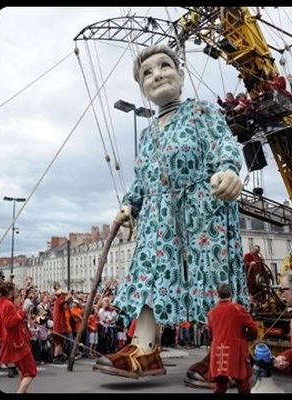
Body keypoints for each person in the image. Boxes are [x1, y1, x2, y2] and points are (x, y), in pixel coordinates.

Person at [95, 44, 248, 383]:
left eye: (164, 66)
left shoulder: (201, 113)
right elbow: (141, 178)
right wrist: (128, 204)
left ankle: (224, 354)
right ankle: (144, 349)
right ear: (142, 89)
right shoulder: (148, 134)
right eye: (146, 73)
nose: (157, 74)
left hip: (201, 206)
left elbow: (223, 143)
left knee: (211, 277)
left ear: (179, 75)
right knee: (150, 273)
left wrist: (228, 169)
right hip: (158, 213)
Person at [206, 283, 257, 394]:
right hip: (235, 349)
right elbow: (253, 327)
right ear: (231, 293)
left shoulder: (211, 313)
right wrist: (249, 337)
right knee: (242, 383)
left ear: (217, 294)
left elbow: (210, 334)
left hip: (218, 351)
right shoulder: (238, 309)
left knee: (220, 386)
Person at [0, 280, 37, 394]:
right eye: (13, 289)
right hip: (16, 342)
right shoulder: (7, 304)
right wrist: (24, 310)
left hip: (9, 340)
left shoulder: (0, 302)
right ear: (9, 291)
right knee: (31, 372)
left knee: (23, 371)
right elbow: (10, 323)